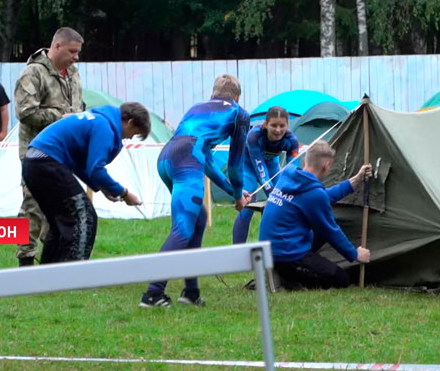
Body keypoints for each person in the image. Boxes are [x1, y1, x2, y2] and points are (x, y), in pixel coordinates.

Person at [140, 74, 251, 308]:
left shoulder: (197, 108)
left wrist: (234, 193)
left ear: (213, 94)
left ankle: (191, 292)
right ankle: (153, 293)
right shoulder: (239, 114)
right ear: (238, 97)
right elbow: (234, 164)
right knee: (182, 228)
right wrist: (239, 194)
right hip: (186, 162)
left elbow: (207, 162)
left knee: (198, 218)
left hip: (166, 159)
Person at [22, 103, 149, 263]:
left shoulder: (96, 118)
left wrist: (103, 188)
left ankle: (49, 272)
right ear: (130, 122)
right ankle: (75, 275)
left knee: (59, 221)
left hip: (32, 163)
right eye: (134, 133)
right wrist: (124, 193)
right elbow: (96, 169)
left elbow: (81, 165)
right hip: (47, 163)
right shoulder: (104, 127)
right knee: (84, 217)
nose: (130, 138)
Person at [258, 141, 372, 290]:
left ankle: (286, 272)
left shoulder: (288, 174)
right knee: (341, 279)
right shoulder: (313, 194)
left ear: (305, 160)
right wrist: (354, 254)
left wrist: (354, 181)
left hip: (270, 250)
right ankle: (287, 277)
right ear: (326, 166)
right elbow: (331, 230)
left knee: (320, 232)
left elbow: (320, 197)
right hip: (286, 257)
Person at [14, 27, 84, 267]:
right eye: (72, 51)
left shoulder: (73, 74)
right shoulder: (33, 73)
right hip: (36, 153)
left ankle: (53, 257)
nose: (76, 57)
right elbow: (25, 112)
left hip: (64, 153)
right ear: (56, 47)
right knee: (32, 207)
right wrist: (60, 116)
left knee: (60, 207)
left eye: (78, 52)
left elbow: (78, 107)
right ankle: (25, 260)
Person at [232, 106, 300, 244]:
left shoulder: (292, 140)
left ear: (287, 125)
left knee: (285, 200)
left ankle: (281, 245)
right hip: (248, 165)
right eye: (273, 125)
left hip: (271, 164)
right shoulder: (254, 136)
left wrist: (289, 190)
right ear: (266, 124)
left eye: (282, 126)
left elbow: (292, 170)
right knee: (247, 206)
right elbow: (260, 168)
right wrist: (272, 192)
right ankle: (236, 250)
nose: (278, 130)